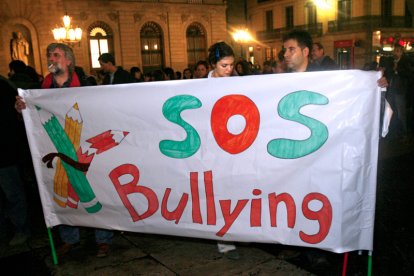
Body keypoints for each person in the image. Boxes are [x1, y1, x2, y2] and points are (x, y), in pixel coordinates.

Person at [281, 29, 388, 269]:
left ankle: (320, 249)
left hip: (320, 155)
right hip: (292, 155)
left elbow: (350, 101)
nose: (285, 54)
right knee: (293, 201)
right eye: (285, 50)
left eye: (291, 49)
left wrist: (375, 85)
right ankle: (302, 247)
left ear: (305, 51)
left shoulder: (327, 79)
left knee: (317, 200)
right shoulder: (280, 80)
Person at [15, 43, 114, 258]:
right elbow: (32, 118)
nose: (51, 58)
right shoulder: (40, 90)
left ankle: (103, 239)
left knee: (92, 189)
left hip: (83, 147)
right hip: (56, 148)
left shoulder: (85, 84)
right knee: (60, 188)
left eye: (56, 55)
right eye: (49, 54)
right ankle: (70, 237)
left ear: (68, 61)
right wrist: (23, 108)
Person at [207, 41, 239, 260]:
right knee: (218, 195)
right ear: (213, 64)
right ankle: (225, 242)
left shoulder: (238, 83)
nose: (229, 70)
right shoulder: (200, 86)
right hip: (210, 150)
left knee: (235, 192)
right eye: (224, 65)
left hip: (235, 148)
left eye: (231, 65)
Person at [0, 75, 31, 246]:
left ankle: (21, 229)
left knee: (13, 194)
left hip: (5, 154)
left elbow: (16, 117)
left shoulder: (4, 86)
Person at [386, 44, 412, 142]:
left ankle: (404, 133)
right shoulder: (392, 61)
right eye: (395, 50)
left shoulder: (405, 62)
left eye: (397, 51)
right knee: (393, 111)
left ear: (401, 51)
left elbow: (408, 74)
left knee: (401, 113)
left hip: (400, 90)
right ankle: (395, 131)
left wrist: (397, 70)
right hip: (392, 89)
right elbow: (389, 72)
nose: (395, 52)